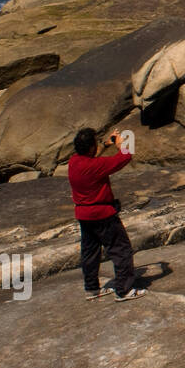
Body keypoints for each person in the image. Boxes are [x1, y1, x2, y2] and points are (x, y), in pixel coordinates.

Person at [67, 128, 146, 301]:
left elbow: (91, 157)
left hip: (84, 215)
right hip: (102, 214)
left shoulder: (74, 162)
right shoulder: (96, 166)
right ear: (90, 148)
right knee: (121, 250)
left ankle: (92, 289)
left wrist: (105, 144)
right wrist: (120, 145)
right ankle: (124, 290)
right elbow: (125, 157)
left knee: (89, 252)